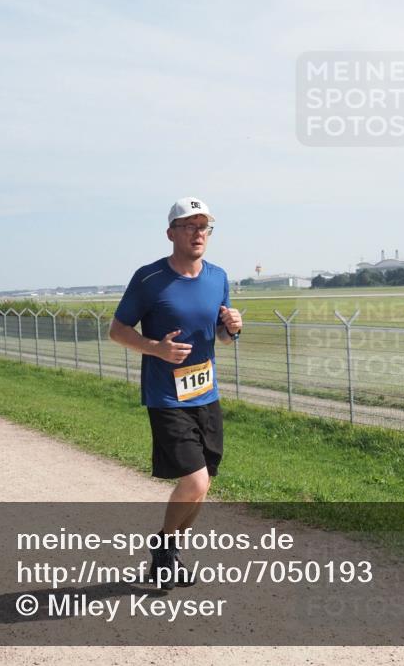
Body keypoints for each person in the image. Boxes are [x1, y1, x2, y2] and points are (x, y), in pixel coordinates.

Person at [109, 197, 242, 590]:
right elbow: (117, 331)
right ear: (171, 233)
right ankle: (164, 547)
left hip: (206, 394)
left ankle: (168, 554)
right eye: (189, 226)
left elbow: (222, 335)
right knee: (195, 482)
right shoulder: (149, 278)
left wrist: (232, 327)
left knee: (203, 484)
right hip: (167, 396)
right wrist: (156, 349)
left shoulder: (218, 277)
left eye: (204, 227)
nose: (198, 233)